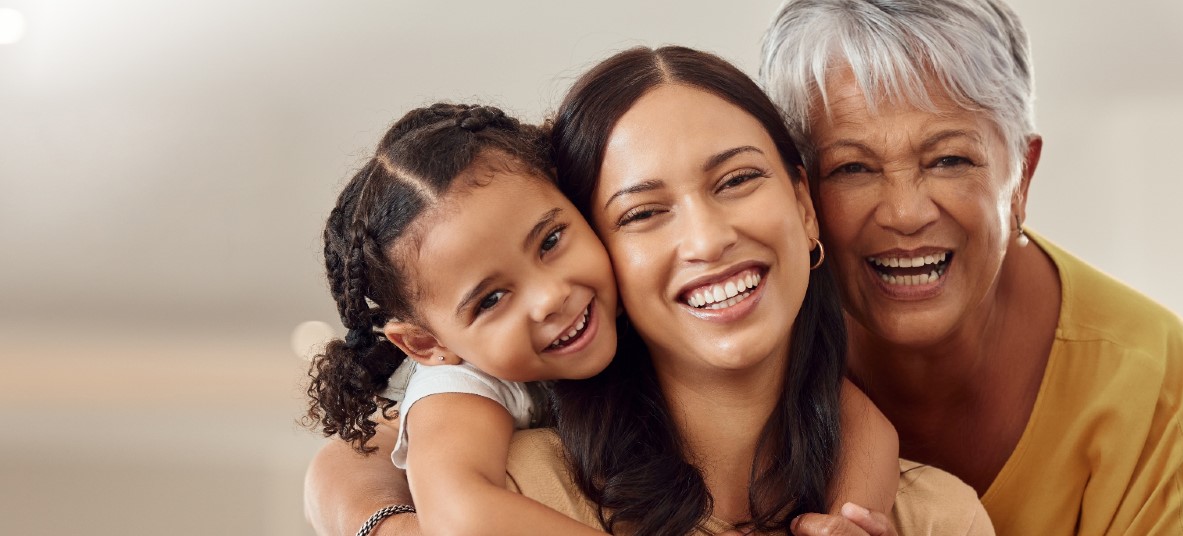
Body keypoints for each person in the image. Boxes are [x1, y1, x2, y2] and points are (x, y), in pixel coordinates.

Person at [301, 49, 982, 535]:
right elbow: (362, 466)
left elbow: (851, 413)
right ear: (612, 253)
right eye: (642, 213)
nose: (707, 239)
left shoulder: (937, 515)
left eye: (738, 179)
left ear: (805, 207)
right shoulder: (518, 480)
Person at [760, 0, 1183, 533]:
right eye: (853, 167)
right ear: (802, 196)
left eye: (949, 160)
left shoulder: (1147, 370)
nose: (905, 214)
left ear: (1022, 178)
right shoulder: (757, 357)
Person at [305, 103, 622, 535]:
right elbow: (460, 516)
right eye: (491, 299)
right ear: (427, 345)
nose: (550, 297)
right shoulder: (458, 385)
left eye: (550, 240)